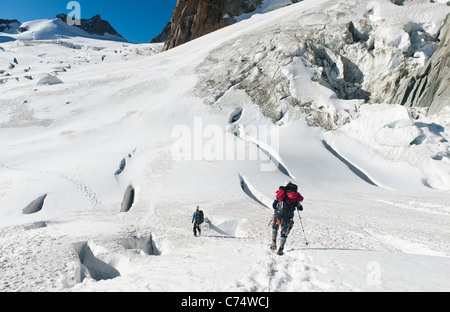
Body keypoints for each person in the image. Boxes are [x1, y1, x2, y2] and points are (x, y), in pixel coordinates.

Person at [271, 182, 304, 255]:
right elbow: (301, 208)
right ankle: (281, 249)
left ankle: (273, 242)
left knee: (275, 228)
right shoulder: (295, 197)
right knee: (284, 232)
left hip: (279, 215)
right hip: (288, 217)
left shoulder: (282, 195)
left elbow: (274, 205)